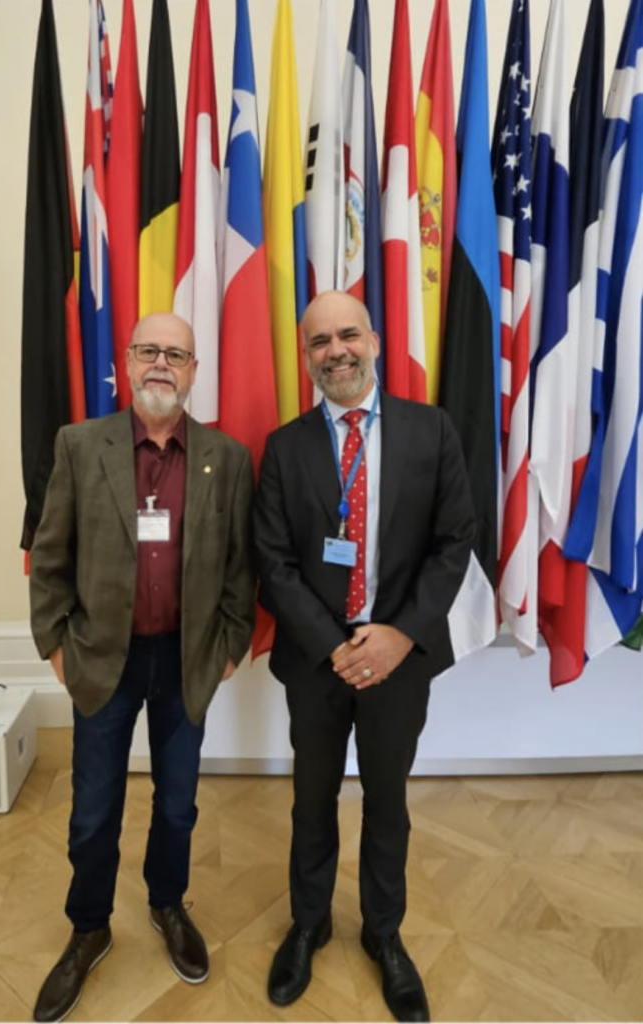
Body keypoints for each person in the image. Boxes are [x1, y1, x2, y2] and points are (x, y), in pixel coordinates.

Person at [253, 291, 474, 1023]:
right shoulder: (284, 447)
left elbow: (455, 542)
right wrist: (334, 645)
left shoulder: (430, 430)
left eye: (348, 335)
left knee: (387, 800)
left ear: (374, 341)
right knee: (312, 798)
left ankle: (384, 933)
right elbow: (273, 560)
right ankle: (309, 924)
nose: (336, 351)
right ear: (306, 355)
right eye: (320, 341)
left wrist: (399, 635)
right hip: (317, 661)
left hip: (398, 659)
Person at [29, 312, 255, 1023]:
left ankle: (167, 904)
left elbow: (241, 566)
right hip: (103, 658)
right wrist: (57, 646)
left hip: (187, 658)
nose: (162, 363)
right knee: (93, 812)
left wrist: (229, 645)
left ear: (194, 371)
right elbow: (50, 554)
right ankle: (88, 927)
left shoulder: (227, 457)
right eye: (149, 350)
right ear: (127, 363)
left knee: (178, 803)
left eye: (176, 354)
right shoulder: (79, 445)